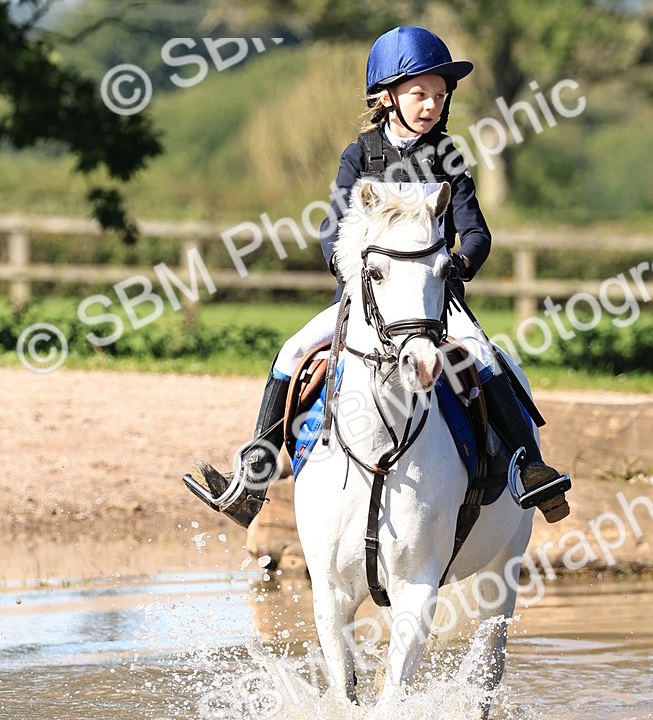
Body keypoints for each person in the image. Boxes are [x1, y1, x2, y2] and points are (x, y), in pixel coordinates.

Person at [183, 26, 571, 527]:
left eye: (438, 95)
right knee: (293, 350)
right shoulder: (358, 156)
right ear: (387, 98)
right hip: (366, 300)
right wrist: (355, 281)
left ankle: (528, 468)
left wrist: (455, 266)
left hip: (434, 305)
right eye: (419, 95)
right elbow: (333, 231)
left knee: (482, 354)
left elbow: (476, 234)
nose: (431, 105)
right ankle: (254, 480)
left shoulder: (449, 158)